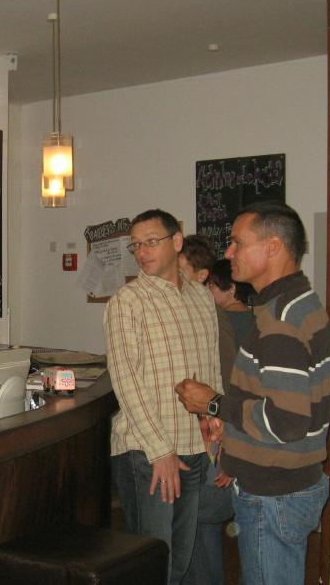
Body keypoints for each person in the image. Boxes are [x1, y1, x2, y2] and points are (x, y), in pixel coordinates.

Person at [176, 201, 330, 585]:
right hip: (284, 486)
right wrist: (230, 427)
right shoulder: (293, 303)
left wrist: (213, 403)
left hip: (273, 494)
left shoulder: (281, 321)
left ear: (273, 246)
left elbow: (287, 421)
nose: (229, 253)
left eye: (237, 243)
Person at [105, 210, 221, 585]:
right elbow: (126, 382)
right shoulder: (128, 301)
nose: (142, 252)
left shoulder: (202, 297)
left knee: (179, 561)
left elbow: (212, 370)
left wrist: (217, 438)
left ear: (177, 242)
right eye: (136, 245)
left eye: (151, 242)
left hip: (195, 447)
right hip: (148, 452)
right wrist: (160, 451)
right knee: (153, 563)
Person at [178, 242, 246, 585]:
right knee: (203, 527)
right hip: (216, 435)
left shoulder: (216, 319)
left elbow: (229, 385)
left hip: (216, 436)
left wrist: (229, 444)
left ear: (202, 277)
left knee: (200, 522)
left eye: (181, 272)